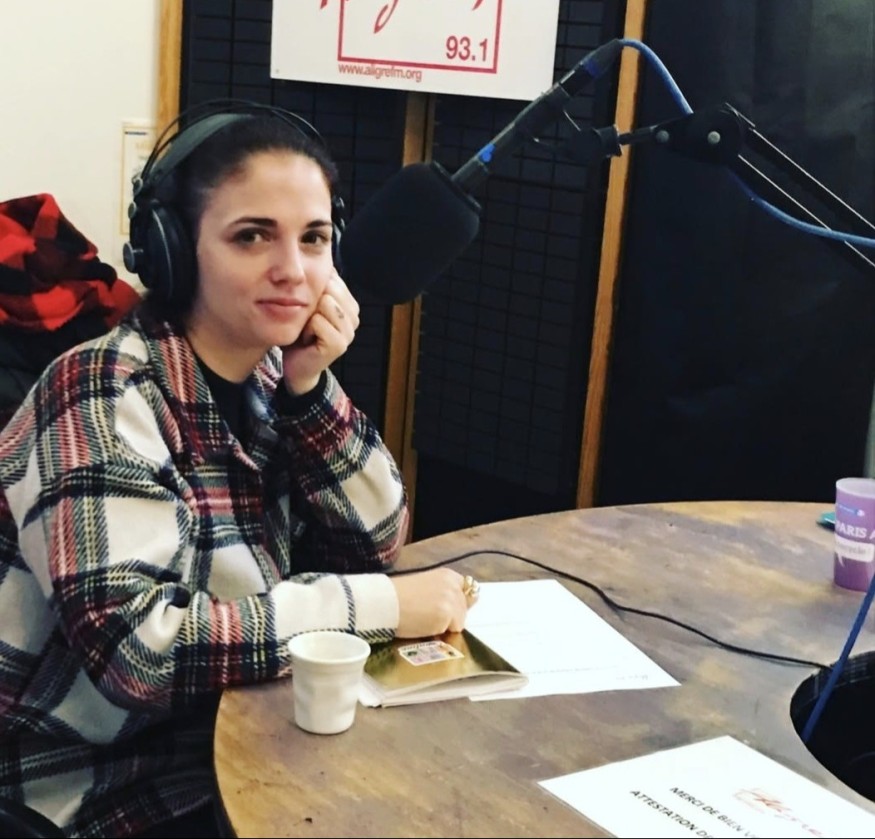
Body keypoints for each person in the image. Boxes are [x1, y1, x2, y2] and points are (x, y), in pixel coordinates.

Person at [0, 104, 477, 838]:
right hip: (95, 787)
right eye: (252, 235)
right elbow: (140, 652)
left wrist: (310, 391)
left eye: (313, 238)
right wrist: (380, 606)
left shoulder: (268, 377)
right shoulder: (100, 390)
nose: (293, 270)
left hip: (235, 736)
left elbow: (374, 542)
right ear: (173, 250)